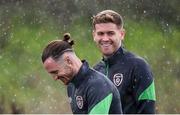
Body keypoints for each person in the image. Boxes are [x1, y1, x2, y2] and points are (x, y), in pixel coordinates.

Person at [92, 10, 156, 114]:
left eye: (110, 33)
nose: (105, 38)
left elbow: (148, 111)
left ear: (122, 34)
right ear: (94, 35)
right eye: (100, 33)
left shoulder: (139, 66)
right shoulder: (95, 71)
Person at [41, 33, 122, 114]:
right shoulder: (72, 86)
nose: (55, 78)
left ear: (68, 61)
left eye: (55, 72)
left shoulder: (98, 85)